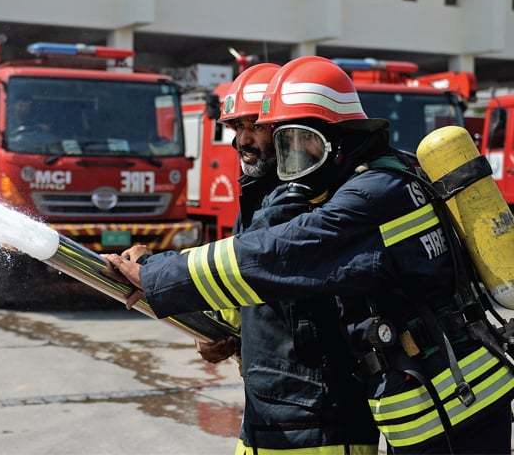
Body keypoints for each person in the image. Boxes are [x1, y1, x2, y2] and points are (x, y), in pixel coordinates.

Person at [106, 56, 514, 454]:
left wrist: (159, 274)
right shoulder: (389, 175)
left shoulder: (368, 195)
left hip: (450, 402)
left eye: (302, 140)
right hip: (439, 396)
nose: (292, 154)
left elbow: (276, 255)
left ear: (337, 138)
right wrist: (221, 328)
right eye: (285, 141)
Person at [120, 62, 380, 454]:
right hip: (267, 417)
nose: (242, 140)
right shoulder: (262, 197)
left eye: (254, 126)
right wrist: (218, 331)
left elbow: (268, 267)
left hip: (321, 427)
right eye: (236, 128)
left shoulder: (317, 201)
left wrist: (161, 273)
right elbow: (256, 291)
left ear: (290, 128)